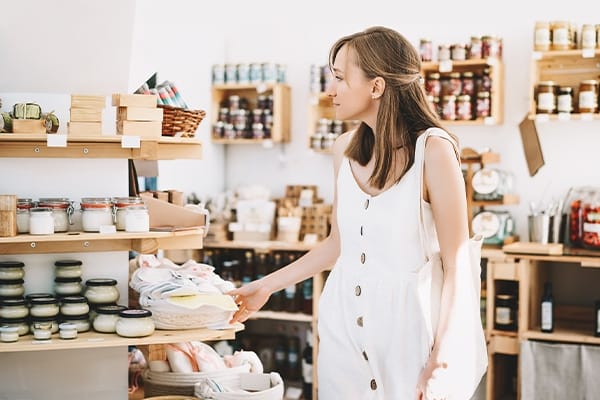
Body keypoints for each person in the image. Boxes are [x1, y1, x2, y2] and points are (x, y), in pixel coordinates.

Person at [229, 26, 481, 399]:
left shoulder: (434, 151)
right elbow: (337, 246)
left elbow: (459, 264)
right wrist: (266, 285)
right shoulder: (343, 149)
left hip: (410, 334)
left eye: (340, 78)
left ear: (376, 87)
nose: (330, 90)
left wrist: (443, 354)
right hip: (344, 328)